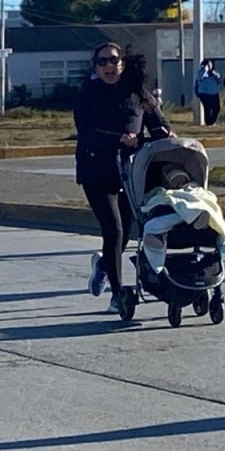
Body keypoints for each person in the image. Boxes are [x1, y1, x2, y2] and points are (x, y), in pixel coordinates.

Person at [73, 41, 171, 312]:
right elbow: (87, 133)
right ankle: (118, 295)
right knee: (113, 229)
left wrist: (165, 132)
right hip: (96, 169)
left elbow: (158, 122)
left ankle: (104, 263)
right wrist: (118, 139)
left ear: (122, 63)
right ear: (95, 67)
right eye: (102, 62)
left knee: (126, 231)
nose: (108, 66)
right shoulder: (87, 94)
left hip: (131, 172)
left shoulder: (137, 92)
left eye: (113, 60)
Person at [139, 163, 225, 274]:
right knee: (153, 224)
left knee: (194, 204)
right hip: (173, 216)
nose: (179, 183)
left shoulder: (192, 188)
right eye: (175, 180)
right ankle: (156, 241)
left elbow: (207, 196)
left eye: (182, 179)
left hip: (190, 216)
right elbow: (151, 201)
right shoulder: (162, 191)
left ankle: (199, 216)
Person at [194, 58, 221, 126]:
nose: (210, 66)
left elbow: (219, 80)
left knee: (217, 108)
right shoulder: (201, 72)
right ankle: (208, 123)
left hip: (214, 93)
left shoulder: (214, 73)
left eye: (210, 65)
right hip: (204, 93)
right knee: (208, 108)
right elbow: (200, 78)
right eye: (208, 65)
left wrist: (216, 76)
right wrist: (205, 69)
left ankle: (212, 121)